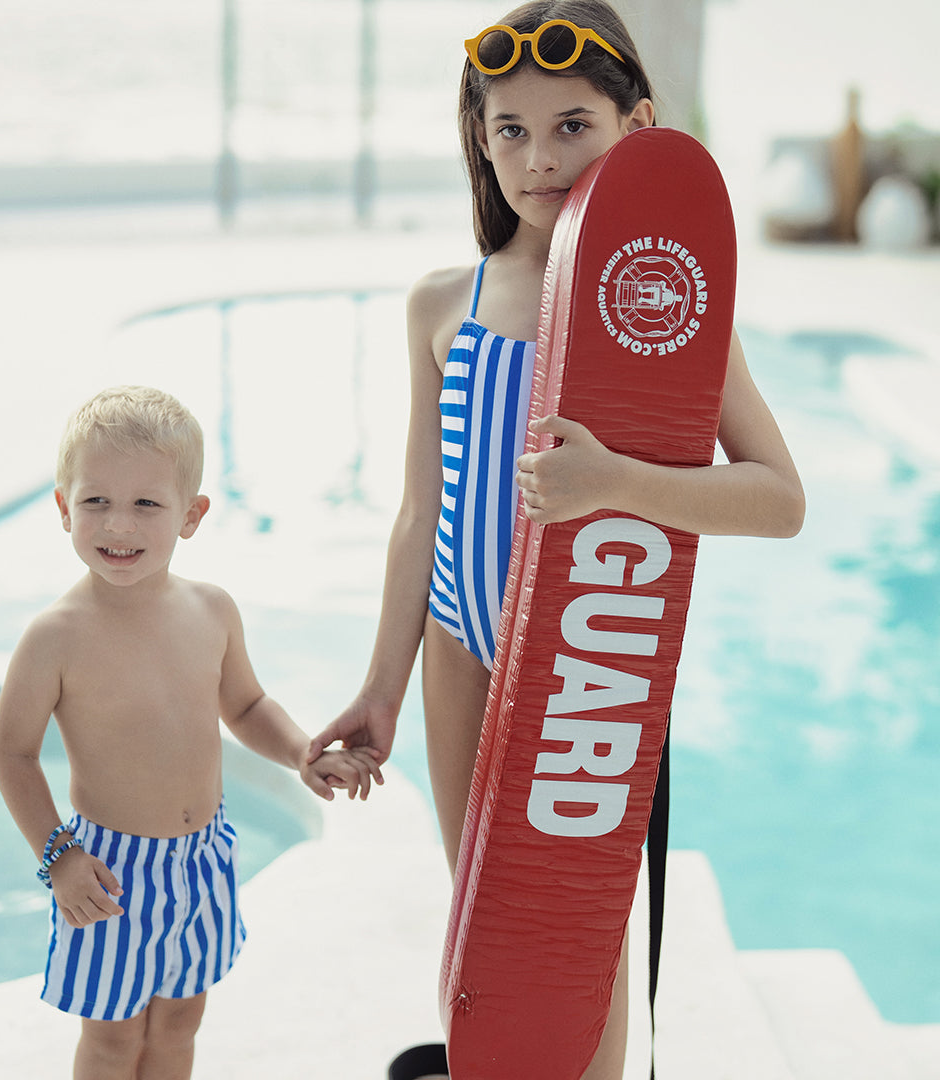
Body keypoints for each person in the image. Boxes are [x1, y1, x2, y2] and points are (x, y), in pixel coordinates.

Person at [309, 3, 805, 1078]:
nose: (540, 159)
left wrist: (615, 483)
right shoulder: (445, 303)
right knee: (494, 946)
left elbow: (778, 497)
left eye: (573, 125)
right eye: (511, 132)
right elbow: (418, 514)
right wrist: (381, 689)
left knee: (580, 954)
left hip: (586, 667)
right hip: (459, 657)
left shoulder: (659, 314)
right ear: (480, 147)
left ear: (638, 126)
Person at [0, 385, 382, 1080]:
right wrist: (60, 857)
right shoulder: (55, 637)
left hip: (204, 862)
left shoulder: (211, 611)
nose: (119, 524)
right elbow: (14, 755)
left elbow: (247, 704)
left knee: (180, 1021)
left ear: (192, 515)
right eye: (95, 501)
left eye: (146, 503)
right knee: (112, 1039)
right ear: (62, 508)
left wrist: (302, 753)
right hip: (108, 869)